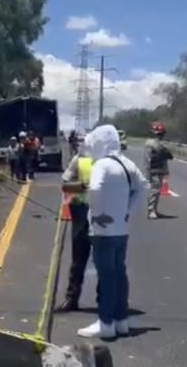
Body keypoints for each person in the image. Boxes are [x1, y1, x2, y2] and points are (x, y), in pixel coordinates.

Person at [77, 124, 149, 339]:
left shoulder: (102, 165)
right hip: (121, 230)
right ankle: (121, 320)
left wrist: (97, 214)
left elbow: (95, 188)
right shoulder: (127, 164)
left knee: (106, 276)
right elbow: (143, 187)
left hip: (102, 231)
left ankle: (105, 323)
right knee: (119, 274)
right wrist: (127, 209)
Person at [56, 146, 93, 313]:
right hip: (82, 213)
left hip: (103, 215)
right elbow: (67, 185)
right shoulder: (81, 159)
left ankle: (106, 300)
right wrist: (84, 186)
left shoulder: (112, 161)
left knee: (106, 262)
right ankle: (72, 298)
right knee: (78, 259)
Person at [144, 121, 173, 219]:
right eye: (159, 134)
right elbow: (149, 158)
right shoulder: (152, 143)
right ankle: (151, 210)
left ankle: (154, 210)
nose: (161, 136)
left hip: (159, 169)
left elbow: (168, 155)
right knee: (154, 190)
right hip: (154, 169)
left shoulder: (158, 143)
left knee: (157, 191)